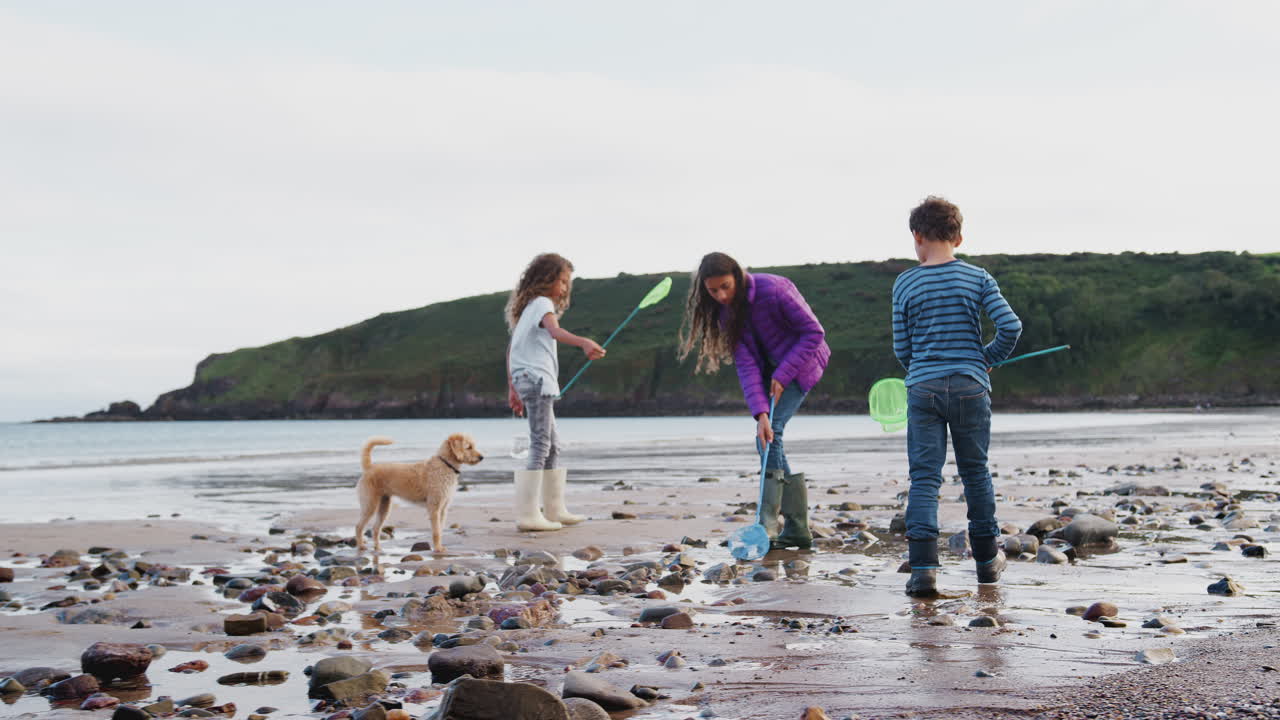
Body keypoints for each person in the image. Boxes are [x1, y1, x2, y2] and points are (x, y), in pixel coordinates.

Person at [892, 196, 1023, 596]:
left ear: (917, 236)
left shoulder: (905, 283)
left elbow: (902, 348)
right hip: (970, 385)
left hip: (923, 388)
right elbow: (1011, 327)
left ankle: (924, 570)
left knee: (924, 478)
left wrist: (922, 370)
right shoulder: (977, 277)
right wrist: (986, 359)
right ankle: (986, 562)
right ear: (959, 238)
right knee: (975, 472)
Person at [679, 252, 830, 551]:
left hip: (802, 364)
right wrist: (759, 413)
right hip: (768, 373)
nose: (721, 296)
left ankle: (771, 524)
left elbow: (814, 333)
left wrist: (783, 375)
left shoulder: (775, 289)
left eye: (725, 286)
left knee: (773, 434)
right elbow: (746, 364)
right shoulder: (725, 313)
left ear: (737, 275)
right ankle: (796, 527)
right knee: (765, 435)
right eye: (713, 291)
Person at [505, 253, 606, 531]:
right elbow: (554, 331)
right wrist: (584, 342)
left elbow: (512, 349)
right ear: (545, 279)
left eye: (566, 283)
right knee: (541, 444)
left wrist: (513, 388)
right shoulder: (542, 303)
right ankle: (529, 515)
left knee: (552, 445)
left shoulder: (528, 308)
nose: (564, 288)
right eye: (561, 281)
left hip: (527, 379)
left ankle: (553, 509)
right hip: (537, 380)